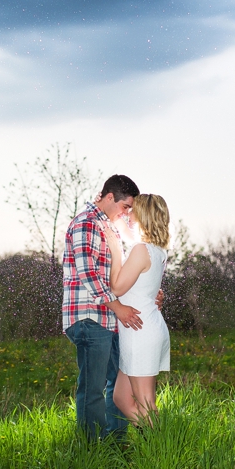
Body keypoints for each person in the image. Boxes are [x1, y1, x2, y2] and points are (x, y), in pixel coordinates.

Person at [62, 174, 143, 441]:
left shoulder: (109, 228)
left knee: (118, 384)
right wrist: (119, 308)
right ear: (110, 197)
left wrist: (147, 292)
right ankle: (91, 450)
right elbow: (89, 275)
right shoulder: (86, 224)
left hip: (108, 318)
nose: (127, 212)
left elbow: (116, 276)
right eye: (126, 206)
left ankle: (115, 444)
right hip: (88, 318)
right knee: (93, 388)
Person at [105, 193, 171, 426]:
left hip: (140, 332)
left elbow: (117, 288)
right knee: (121, 397)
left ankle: (160, 450)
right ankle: (152, 439)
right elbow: (124, 228)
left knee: (146, 403)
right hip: (144, 329)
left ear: (143, 215)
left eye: (133, 210)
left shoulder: (141, 250)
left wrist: (115, 252)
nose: (128, 213)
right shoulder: (156, 250)